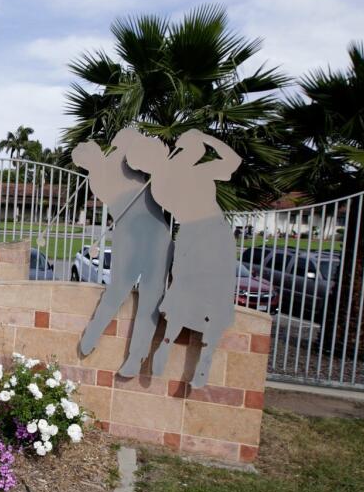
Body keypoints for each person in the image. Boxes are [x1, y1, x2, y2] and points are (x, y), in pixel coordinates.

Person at [122, 129, 242, 386]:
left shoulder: (170, 174)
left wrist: (197, 142)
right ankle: (180, 350)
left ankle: (198, 357)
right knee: (189, 292)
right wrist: (201, 138)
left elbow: (225, 161)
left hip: (206, 234)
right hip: (204, 233)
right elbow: (229, 161)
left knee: (205, 293)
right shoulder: (166, 178)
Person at [73, 128, 175, 377]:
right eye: (85, 159)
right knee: (118, 289)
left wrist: (136, 146)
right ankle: (93, 335)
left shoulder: (120, 154)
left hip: (158, 234)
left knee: (151, 298)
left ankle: (136, 358)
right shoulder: (99, 177)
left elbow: (137, 144)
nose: (91, 156)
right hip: (130, 234)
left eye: (89, 150)